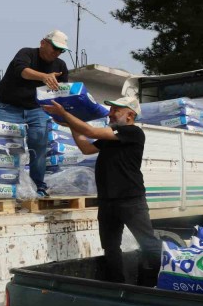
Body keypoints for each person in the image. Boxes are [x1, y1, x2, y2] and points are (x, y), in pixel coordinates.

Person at [42, 96, 162, 285]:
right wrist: (70, 123)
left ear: (130, 115)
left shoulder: (133, 132)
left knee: (149, 245)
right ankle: (118, 286)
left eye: (116, 110)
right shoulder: (110, 138)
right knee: (111, 247)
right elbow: (86, 147)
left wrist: (65, 114)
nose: (110, 113)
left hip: (131, 200)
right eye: (111, 109)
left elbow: (89, 130)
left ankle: (150, 285)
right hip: (107, 201)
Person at [0, 29, 70, 198]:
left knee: (39, 146)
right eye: (54, 48)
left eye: (61, 50)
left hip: (37, 110)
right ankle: (3, 186)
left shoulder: (60, 66)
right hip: (8, 107)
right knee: (3, 146)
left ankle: (37, 187)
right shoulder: (26, 53)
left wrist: (65, 115)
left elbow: (62, 93)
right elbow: (23, 71)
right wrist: (44, 77)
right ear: (43, 43)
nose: (57, 53)